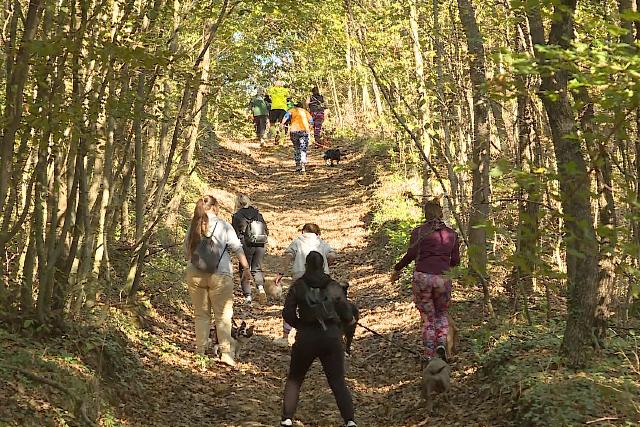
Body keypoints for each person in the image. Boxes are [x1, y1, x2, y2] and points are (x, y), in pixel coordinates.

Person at [280, 251, 357, 427]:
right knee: (337, 381)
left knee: (295, 379)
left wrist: (300, 325)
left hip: (306, 337)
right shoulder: (333, 286)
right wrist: (344, 324)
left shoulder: (298, 285)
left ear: (306, 266)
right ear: (323, 266)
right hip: (331, 336)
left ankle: (287, 418)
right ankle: (350, 420)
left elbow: (287, 313)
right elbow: (347, 313)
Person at [184, 195, 252, 367]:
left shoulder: (193, 225)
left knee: (201, 315)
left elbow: (187, 250)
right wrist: (246, 269)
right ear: (214, 207)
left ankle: (200, 352)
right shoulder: (223, 225)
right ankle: (226, 354)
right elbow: (237, 247)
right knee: (223, 316)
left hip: (195, 273)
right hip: (220, 274)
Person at [390, 199, 460, 361]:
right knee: (441, 314)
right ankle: (442, 344)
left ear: (425, 214)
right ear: (441, 213)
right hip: (442, 278)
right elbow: (455, 261)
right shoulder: (452, 234)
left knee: (428, 318)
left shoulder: (419, 232)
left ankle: (429, 354)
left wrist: (397, 268)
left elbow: (410, 255)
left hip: (422, 277)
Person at [274, 223, 336, 347]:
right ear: (317, 233)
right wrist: (326, 266)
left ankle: (285, 336)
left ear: (303, 231)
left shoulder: (298, 241)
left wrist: (281, 272)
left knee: (292, 304)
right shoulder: (321, 242)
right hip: (321, 276)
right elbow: (332, 255)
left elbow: (289, 255)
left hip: (300, 275)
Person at [231, 194, 268, 305]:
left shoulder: (237, 216)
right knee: (257, 268)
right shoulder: (257, 213)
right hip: (260, 242)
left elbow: (234, 233)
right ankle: (261, 288)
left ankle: (248, 297)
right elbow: (266, 229)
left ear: (237, 203)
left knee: (244, 269)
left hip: (245, 244)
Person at [281, 102, 313, 173]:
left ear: (295, 106)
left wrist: (282, 124)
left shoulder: (291, 110)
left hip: (294, 131)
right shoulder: (305, 112)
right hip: (304, 131)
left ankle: (297, 165)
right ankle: (303, 166)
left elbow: (285, 117)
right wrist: (310, 128)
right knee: (303, 148)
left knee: (296, 148)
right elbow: (311, 121)